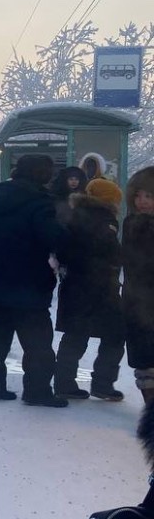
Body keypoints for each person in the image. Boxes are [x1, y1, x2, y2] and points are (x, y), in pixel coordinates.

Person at [0, 153, 68, 406]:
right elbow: (52, 237)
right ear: (40, 173)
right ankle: (37, 390)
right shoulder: (39, 202)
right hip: (30, 283)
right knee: (38, 343)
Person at [54, 178, 127, 401]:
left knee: (75, 336)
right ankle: (103, 383)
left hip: (76, 286)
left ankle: (64, 383)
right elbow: (109, 253)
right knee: (115, 336)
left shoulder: (75, 215)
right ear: (109, 201)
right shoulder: (104, 220)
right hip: (99, 288)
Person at [123, 166, 154, 406]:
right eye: (138, 195)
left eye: (149, 196)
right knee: (144, 360)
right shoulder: (131, 223)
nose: (142, 202)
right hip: (137, 300)